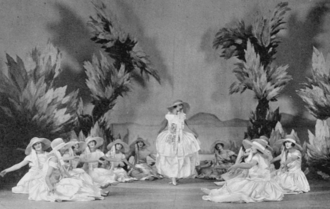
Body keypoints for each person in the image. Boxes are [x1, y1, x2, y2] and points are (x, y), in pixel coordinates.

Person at [201, 138, 284, 203]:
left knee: (239, 189)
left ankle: (215, 193)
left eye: (253, 147)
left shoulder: (256, 157)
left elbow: (249, 165)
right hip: (261, 181)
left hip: (259, 182)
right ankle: (214, 192)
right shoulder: (260, 156)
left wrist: (237, 165)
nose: (251, 148)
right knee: (236, 184)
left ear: (258, 149)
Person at [28, 138, 104, 202]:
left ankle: (94, 192)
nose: (66, 149)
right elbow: (47, 177)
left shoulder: (58, 157)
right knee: (73, 188)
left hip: (57, 180)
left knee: (77, 182)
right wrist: (51, 189)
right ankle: (91, 193)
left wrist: (71, 177)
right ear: (59, 149)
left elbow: (64, 171)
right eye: (64, 147)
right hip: (50, 184)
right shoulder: (54, 159)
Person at [156, 100, 200, 186]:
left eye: (181, 107)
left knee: (180, 156)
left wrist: (194, 133)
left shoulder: (182, 116)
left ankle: (176, 176)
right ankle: (173, 178)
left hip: (180, 137)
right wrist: (159, 133)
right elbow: (163, 125)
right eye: (178, 107)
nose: (180, 108)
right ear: (174, 107)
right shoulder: (169, 116)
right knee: (171, 156)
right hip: (171, 138)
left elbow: (189, 125)